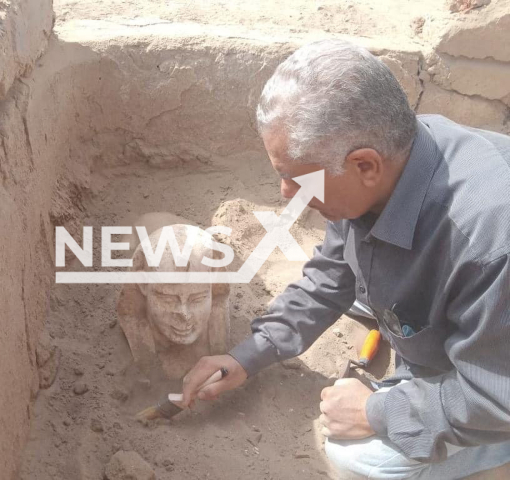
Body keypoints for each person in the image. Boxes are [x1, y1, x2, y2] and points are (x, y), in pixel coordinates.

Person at [180, 39, 510, 479]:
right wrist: (248, 355)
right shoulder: (387, 162)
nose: (285, 195)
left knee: (357, 458)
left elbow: (496, 395)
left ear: (365, 165)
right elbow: (331, 275)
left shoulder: (487, 243)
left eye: (296, 180)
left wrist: (378, 411)